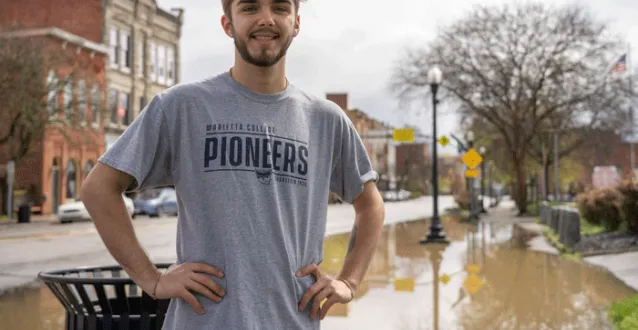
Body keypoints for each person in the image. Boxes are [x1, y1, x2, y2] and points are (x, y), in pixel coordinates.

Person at [80, 0, 386, 329]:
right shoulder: (182, 107)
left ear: (296, 23)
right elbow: (98, 189)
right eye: (250, 8)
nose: (266, 19)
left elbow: (371, 206)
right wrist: (152, 280)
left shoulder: (326, 121)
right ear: (228, 24)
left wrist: (349, 282)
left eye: (280, 8)